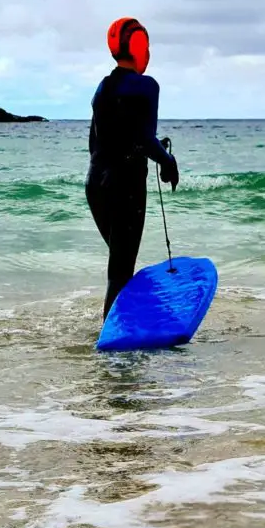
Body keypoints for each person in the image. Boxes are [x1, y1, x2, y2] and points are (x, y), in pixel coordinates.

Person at [88, 17, 179, 316]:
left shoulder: (102, 89)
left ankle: (120, 337)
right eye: (147, 45)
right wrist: (167, 162)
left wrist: (151, 148)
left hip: (95, 186)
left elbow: (98, 145)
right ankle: (114, 352)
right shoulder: (147, 86)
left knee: (120, 266)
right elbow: (142, 138)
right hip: (124, 187)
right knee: (120, 273)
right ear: (139, 46)